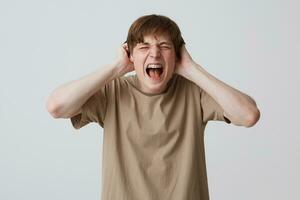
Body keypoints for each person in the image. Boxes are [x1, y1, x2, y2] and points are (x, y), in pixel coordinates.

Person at [46, 14, 260, 200]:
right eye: (144, 47)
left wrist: (192, 69)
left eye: (164, 46)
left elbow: (248, 115)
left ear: (177, 55)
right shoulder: (113, 92)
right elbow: (57, 106)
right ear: (131, 54)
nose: (155, 54)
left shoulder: (194, 92)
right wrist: (115, 68)